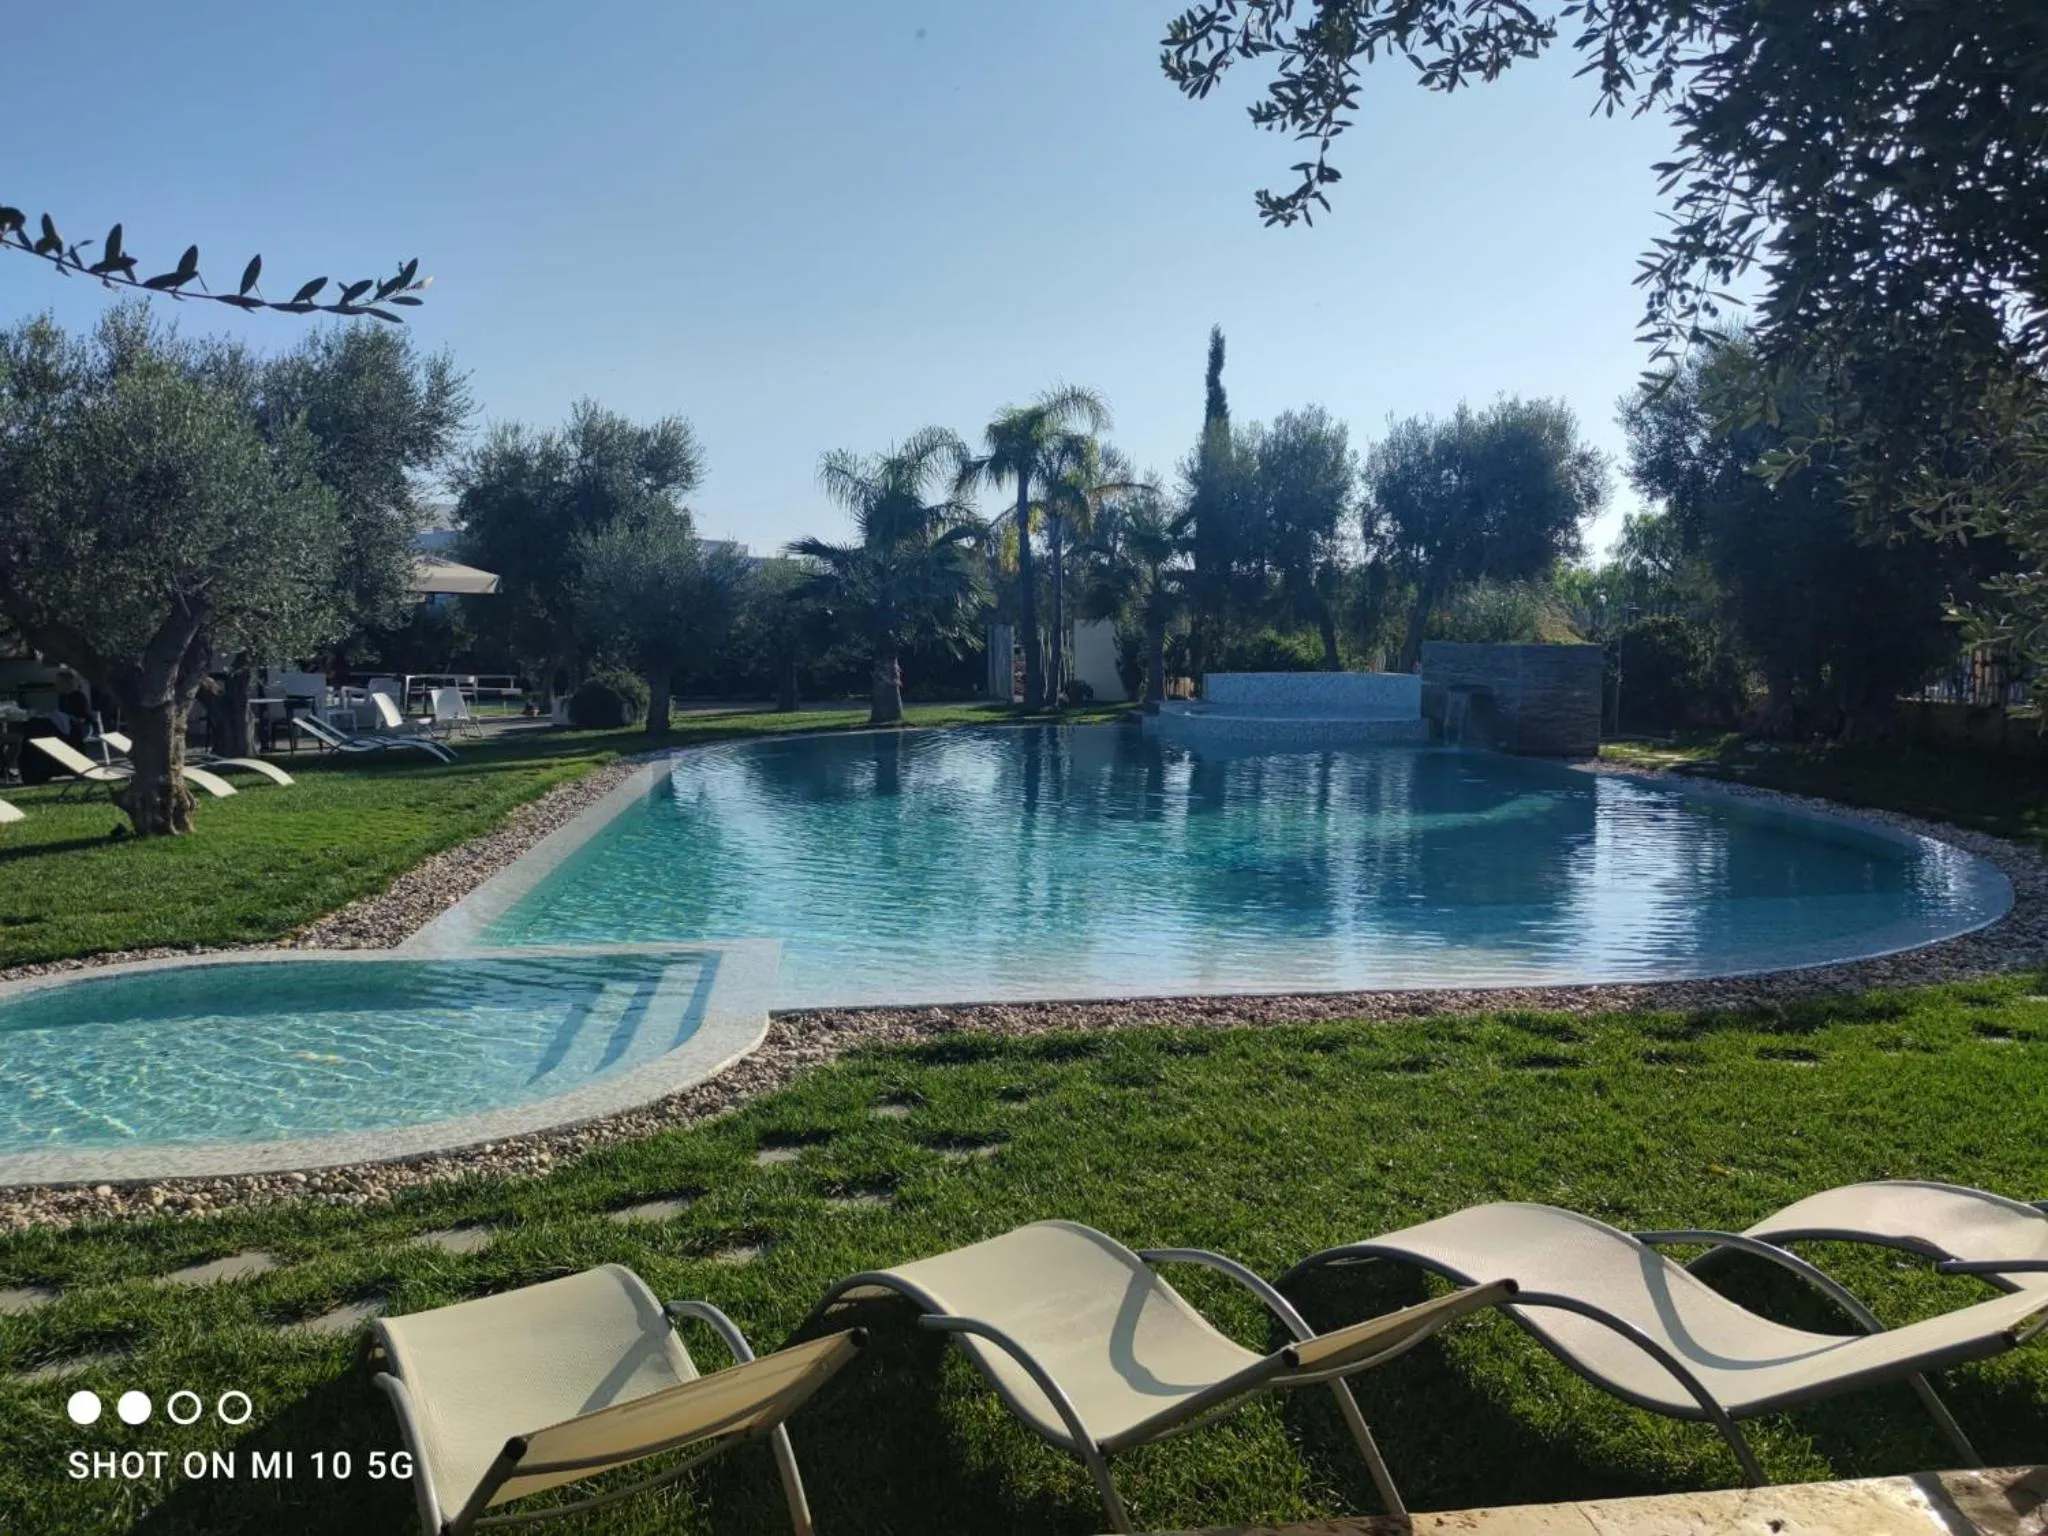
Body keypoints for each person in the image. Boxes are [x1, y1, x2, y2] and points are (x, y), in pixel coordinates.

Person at [51, 668, 94, 750]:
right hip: (65, 725)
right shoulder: (61, 697)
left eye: (59, 682)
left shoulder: (79, 696)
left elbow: (88, 717)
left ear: (66, 683)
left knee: (71, 732)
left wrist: (78, 719)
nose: (57, 684)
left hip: (82, 726)